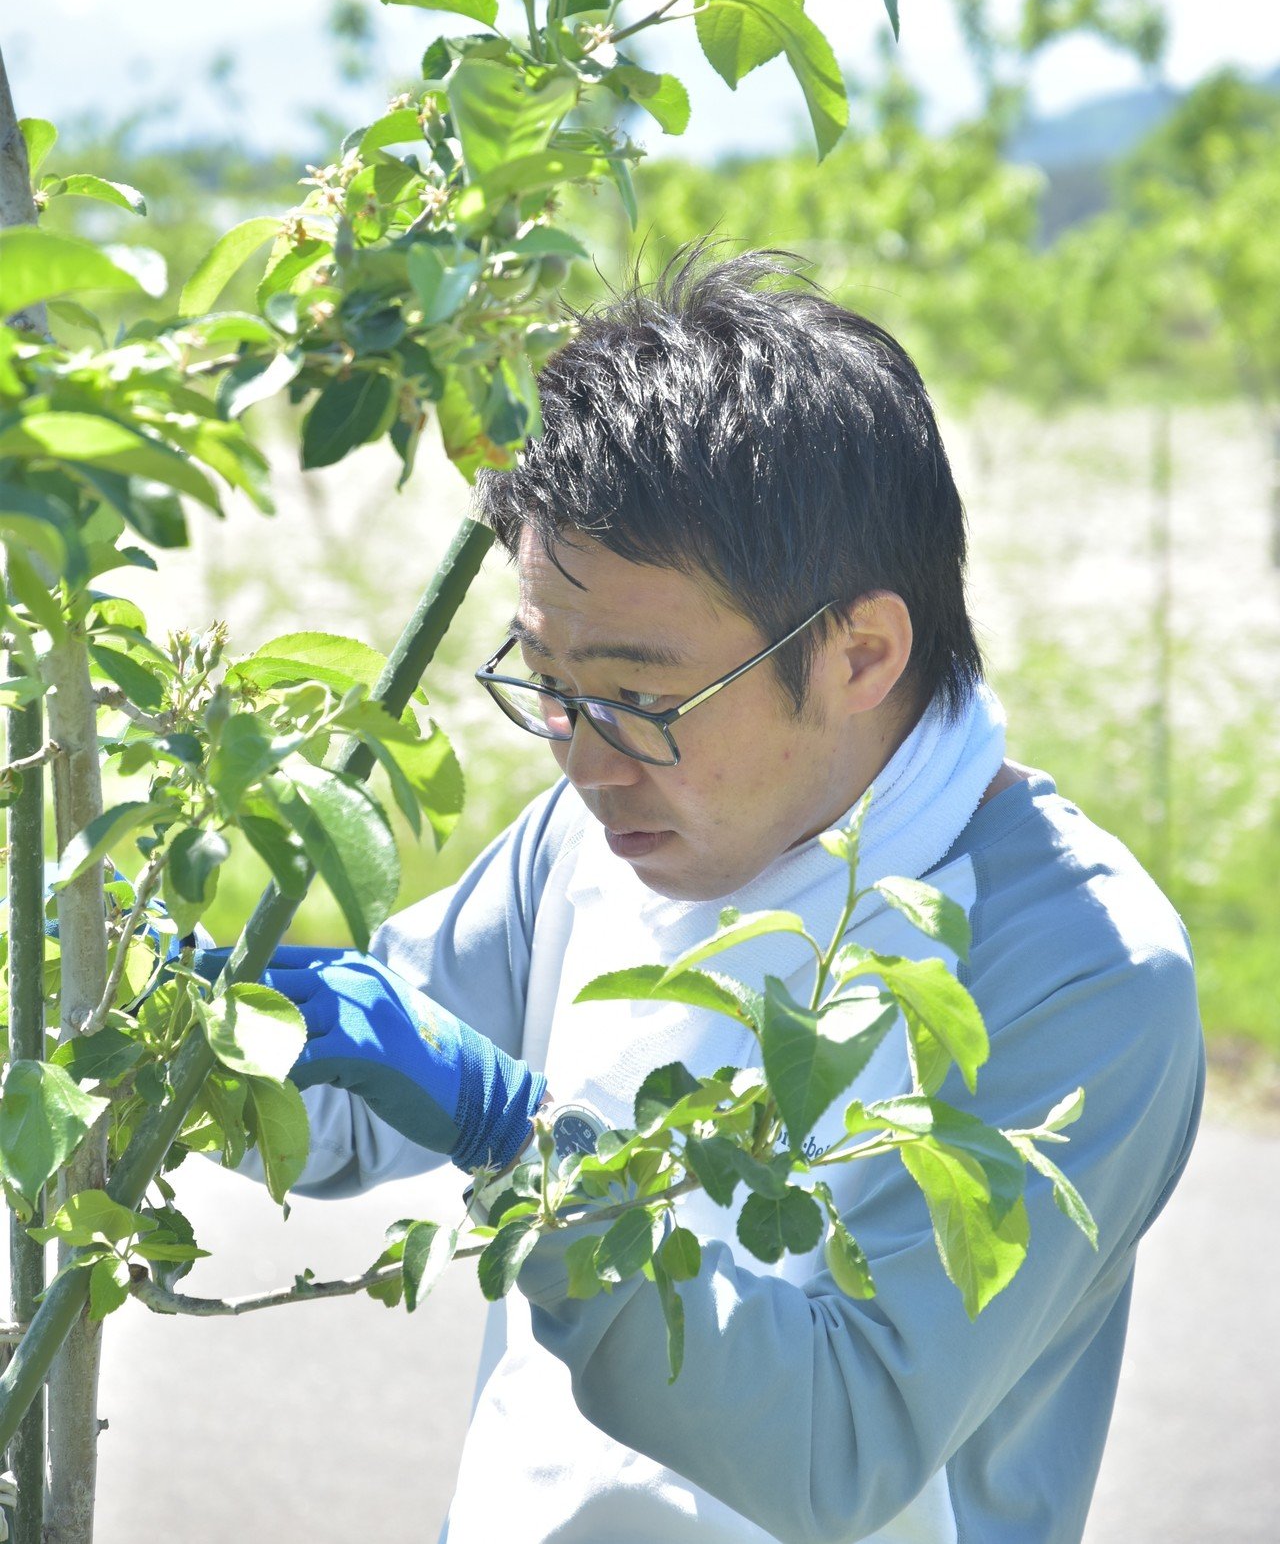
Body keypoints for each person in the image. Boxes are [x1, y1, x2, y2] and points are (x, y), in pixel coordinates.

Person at [236, 252, 1204, 1544]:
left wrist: (527, 1146)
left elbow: (837, 1442)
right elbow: (351, 1105)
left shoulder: (1081, 969)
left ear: (862, 650)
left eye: (640, 695)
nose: (582, 758)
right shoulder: (596, 834)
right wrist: (162, 1016)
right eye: (548, 683)